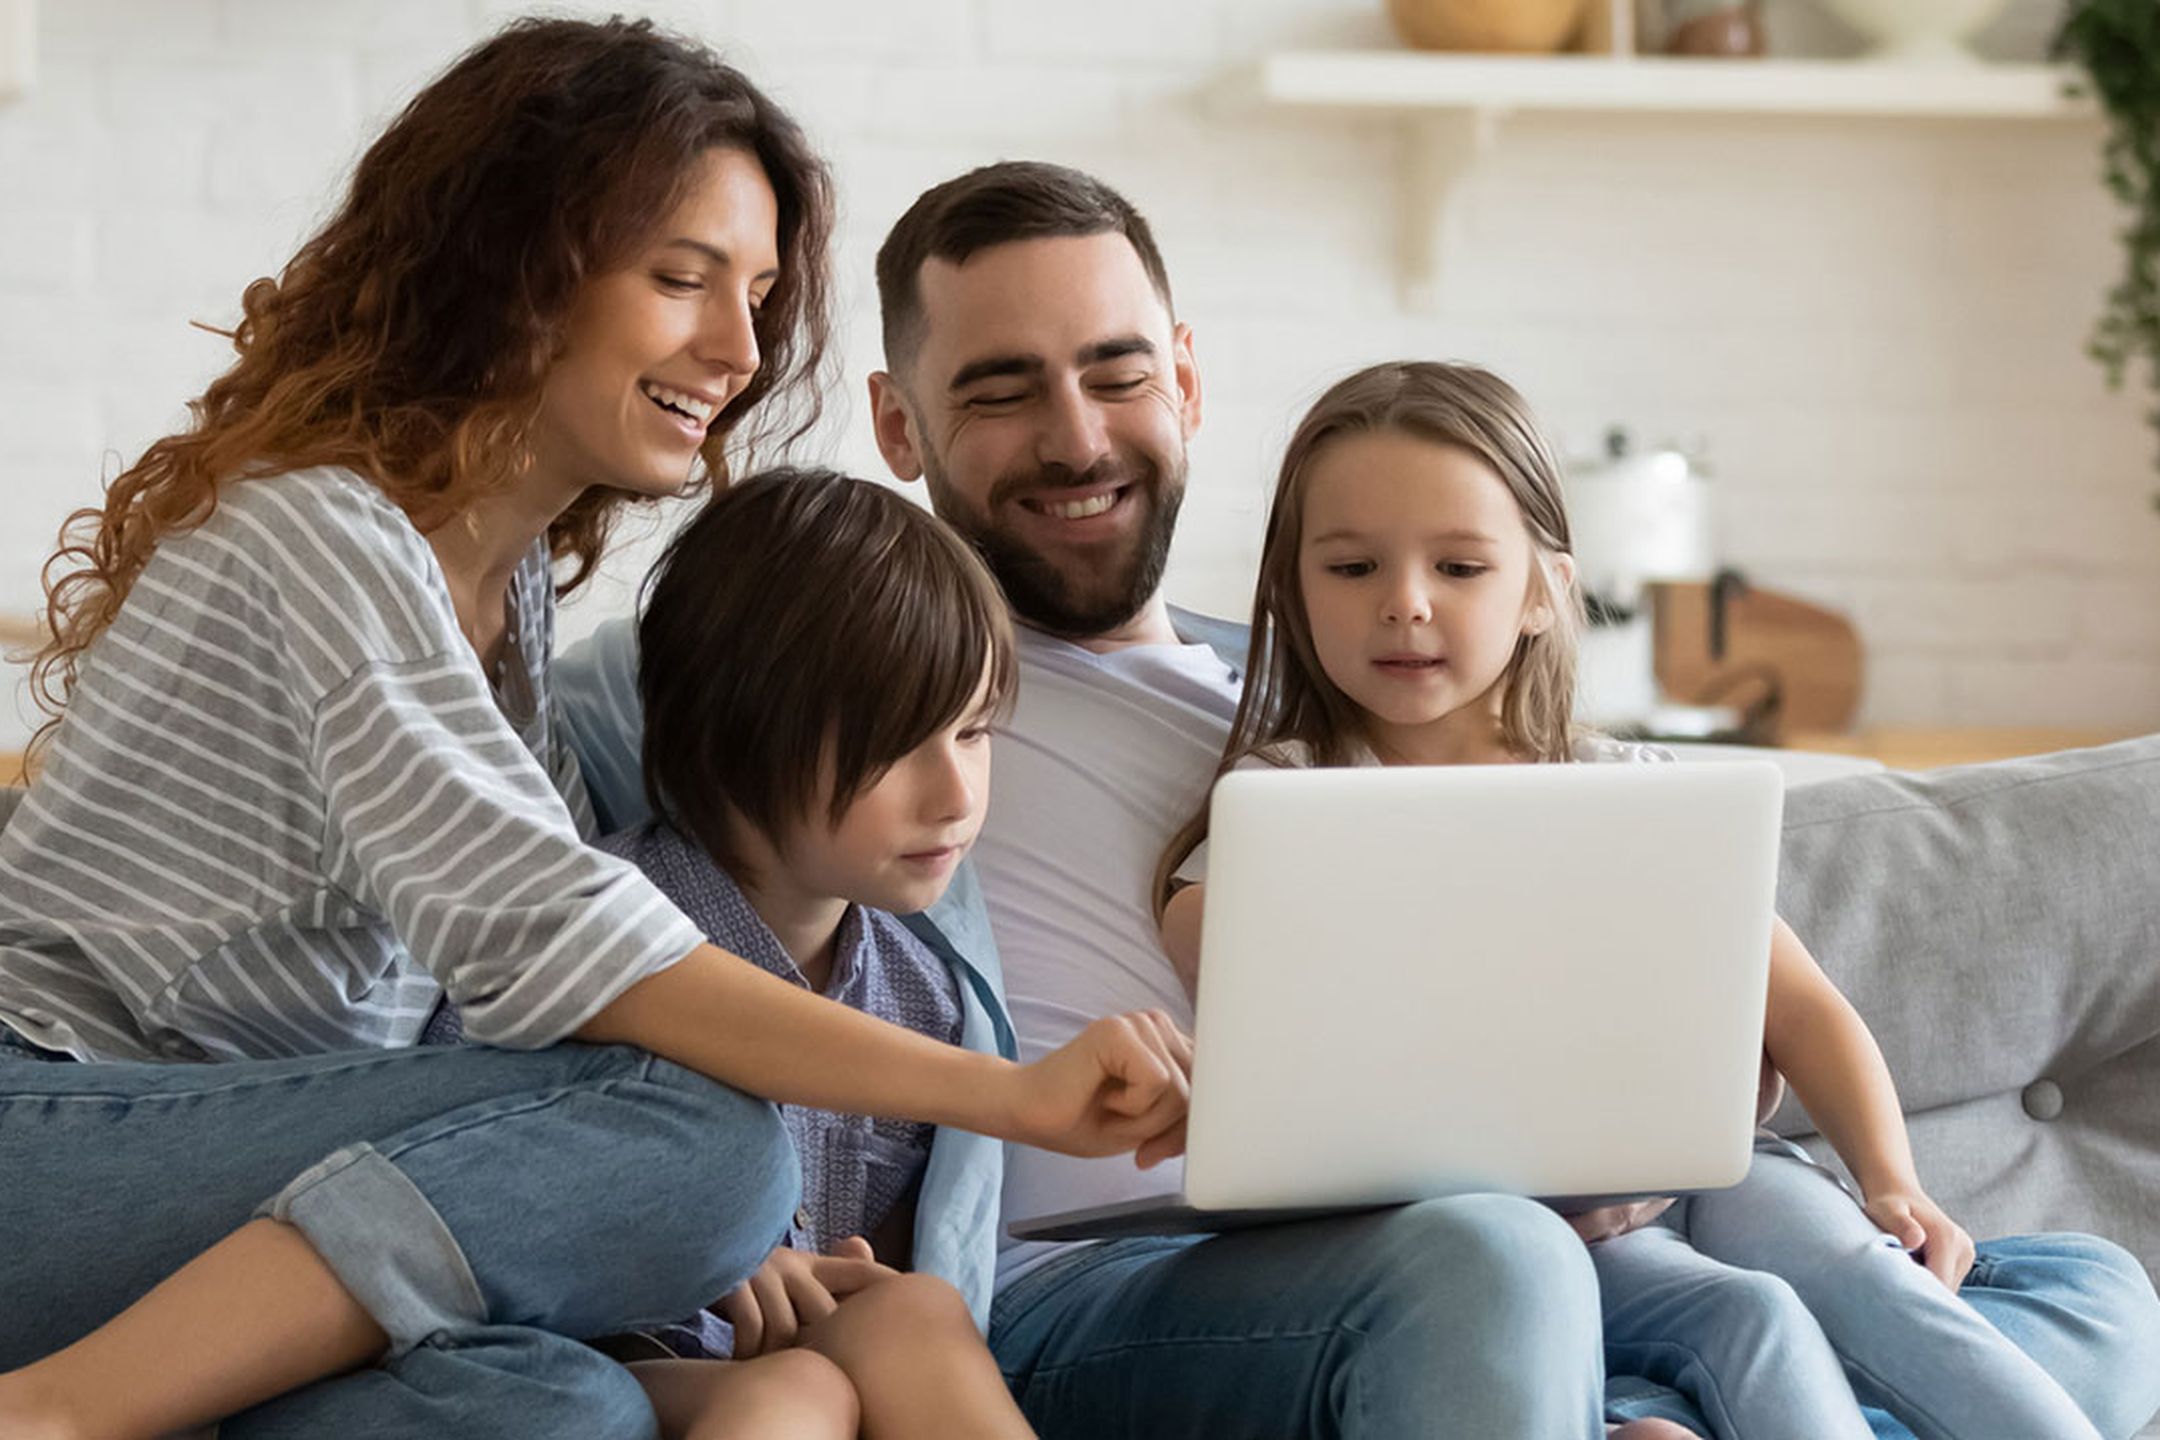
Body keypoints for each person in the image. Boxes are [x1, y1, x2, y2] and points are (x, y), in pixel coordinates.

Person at [555, 161, 2160, 1438]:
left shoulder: (1323, 685)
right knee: (1506, 1252)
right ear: (901, 426)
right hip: (1104, 1282)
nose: (1077, 437)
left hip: (1456, 1231)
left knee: (2088, 1288)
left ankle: (1651, 1401)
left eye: (1117, 372)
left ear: (1184, 377)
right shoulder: (826, 681)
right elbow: (620, 952)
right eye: (1001, 391)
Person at [0, 28, 1184, 1440]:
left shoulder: (511, 614)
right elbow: (560, 951)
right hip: (63, 1145)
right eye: (681, 280)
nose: (738, 351)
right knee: (703, 1138)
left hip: (260, 1214)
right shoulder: (316, 537)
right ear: (515, 270)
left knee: (563, 1411)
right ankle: (53, 1413)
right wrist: (1014, 1095)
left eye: (752, 295)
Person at [1152, 358, 2128, 1440]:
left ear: (1542, 593)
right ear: (1292, 587)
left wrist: (1893, 1182)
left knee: (1864, 1275)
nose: (1405, 602)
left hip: (1712, 1164)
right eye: (1351, 566)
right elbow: (1222, 964)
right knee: (1744, 1315)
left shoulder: (1625, 790)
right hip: (1503, 1232)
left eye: (1462, 565)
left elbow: (1799, 1007)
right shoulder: (1284, 805)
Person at [598, 467, 1041, 1440]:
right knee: (799, 1395)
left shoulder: (920, 998)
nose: (957, 793)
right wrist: (702, 1244)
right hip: (579, 1364)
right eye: (898, 747)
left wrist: (840, 1280)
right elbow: (463, 1168)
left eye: (973, 733)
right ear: (734, 739)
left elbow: (872, 1271)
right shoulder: (590, 925)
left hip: (780, 1371)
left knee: (909, 1315)